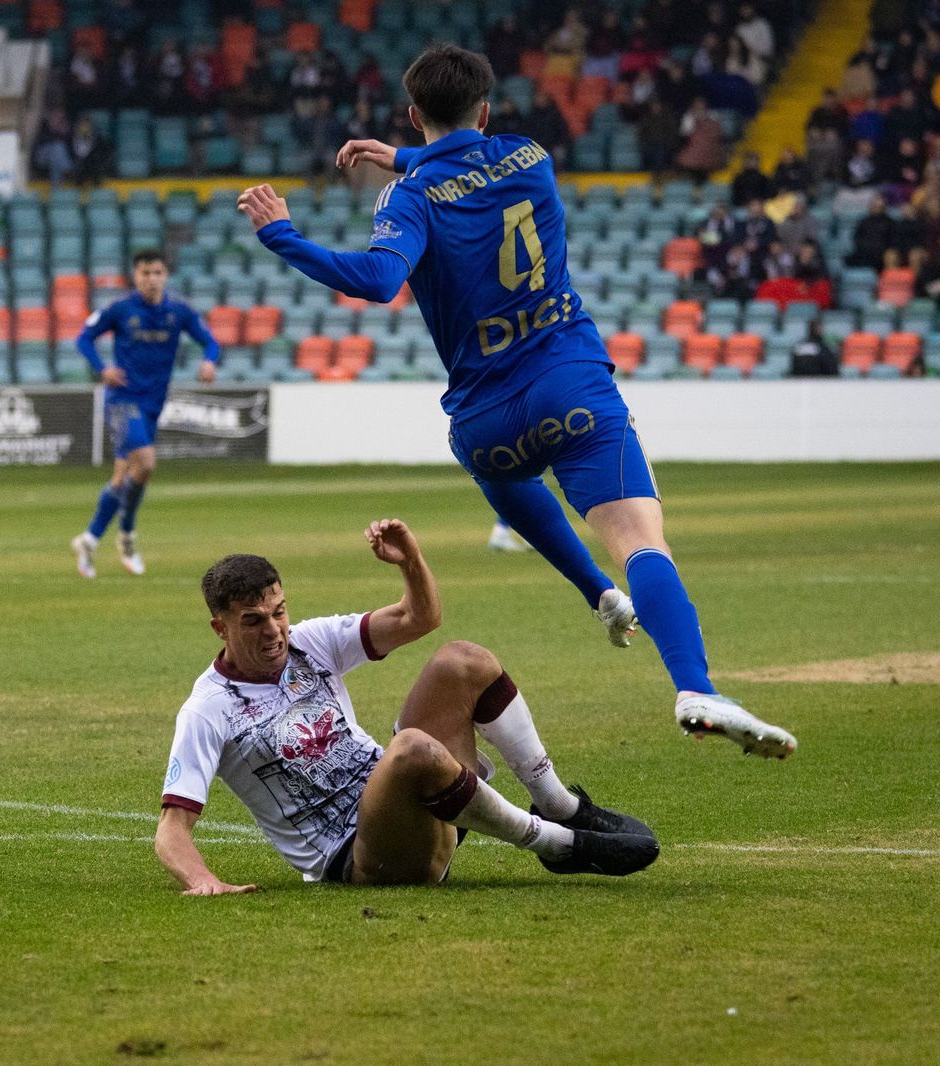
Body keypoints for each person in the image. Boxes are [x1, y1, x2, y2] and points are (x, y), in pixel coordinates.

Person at [238, 44, 798, 758]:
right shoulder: (531, 157)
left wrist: (282, 233)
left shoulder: (406, 195)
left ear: (413, 115)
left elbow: (380, 280)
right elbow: (471, 167)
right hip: (571, 385)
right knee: (642, 544)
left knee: (499, 469)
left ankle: (597, 595)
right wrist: (413, 158)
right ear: (487, 109)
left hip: (485, 421)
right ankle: (693, 686)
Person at [154, 520, 659, 893]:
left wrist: (411, 561)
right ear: (221, 627)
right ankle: (556, 845)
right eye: (253, 621)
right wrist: (205, 881)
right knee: (412, 748)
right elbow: (171, 832)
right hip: (365, 858)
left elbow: (421, 617)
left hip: (426, 807)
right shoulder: (208, 709)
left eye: (279, 612)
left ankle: (560, 808)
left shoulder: (310, 642)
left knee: (462, 660)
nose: (273, 630)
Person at [70, 250, 219, 579]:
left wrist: (209, 360)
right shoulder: (120, 309)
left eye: (157, 272)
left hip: (153, 404)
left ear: (165, 275)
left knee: (124, 477)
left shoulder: (178, 311)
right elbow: (84, 338)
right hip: (123, 401)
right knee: (147, 462)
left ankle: (89, 540)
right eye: (145, 273)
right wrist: (102, 368)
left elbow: (210, 341)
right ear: (135, 276)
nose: (151, 279)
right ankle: (126, 535)